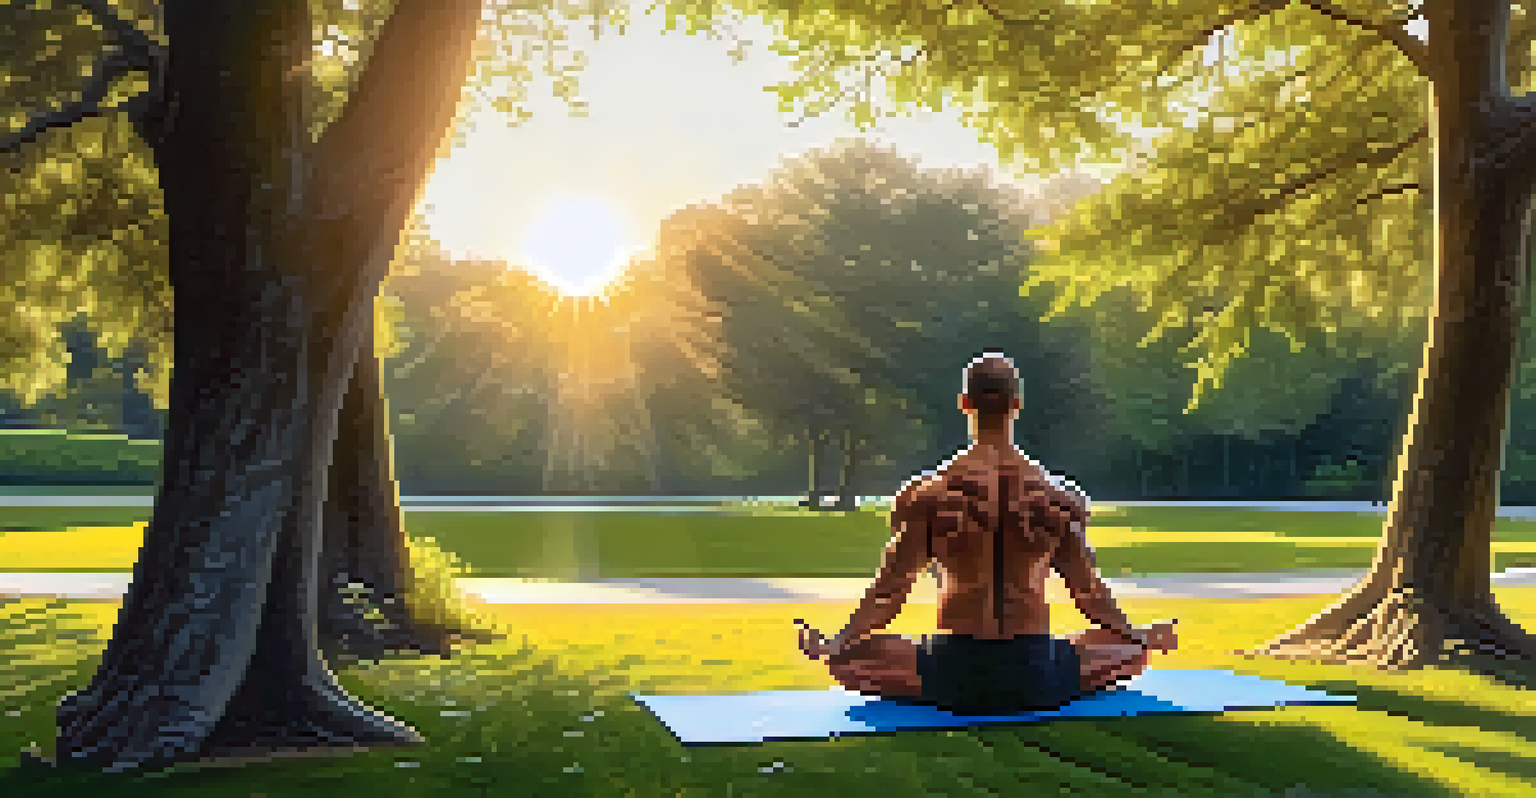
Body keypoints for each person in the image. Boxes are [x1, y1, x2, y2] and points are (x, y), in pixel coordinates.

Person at [795, 352, 1178, 714]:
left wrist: (837, 643)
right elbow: (1089, 594)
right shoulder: (1057, 497)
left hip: (951, 674)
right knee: (1126, 649)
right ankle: (1116, 652)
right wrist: (1137, 635)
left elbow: (888, 593)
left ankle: (875, 663)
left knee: (849, 658)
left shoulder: (929, 495)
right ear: (1016, 405)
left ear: (965, 403)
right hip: (1036, 675)